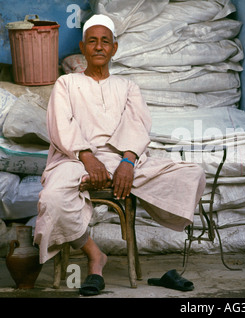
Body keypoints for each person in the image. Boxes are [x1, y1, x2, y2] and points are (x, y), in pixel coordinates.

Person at [33, 14, 206, 296]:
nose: (99, 47)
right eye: (92, 41)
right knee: (52, 198)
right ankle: (94, 256)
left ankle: (115, 179)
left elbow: (137, 126)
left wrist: (127, 162)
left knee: (191, 173)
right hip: (75, 159)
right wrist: (89, 159)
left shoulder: (128, 87)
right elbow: (61, 127)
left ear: (115, 48)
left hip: (121, 161)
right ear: (83, 47)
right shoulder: (66, 84)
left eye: (105, 41)